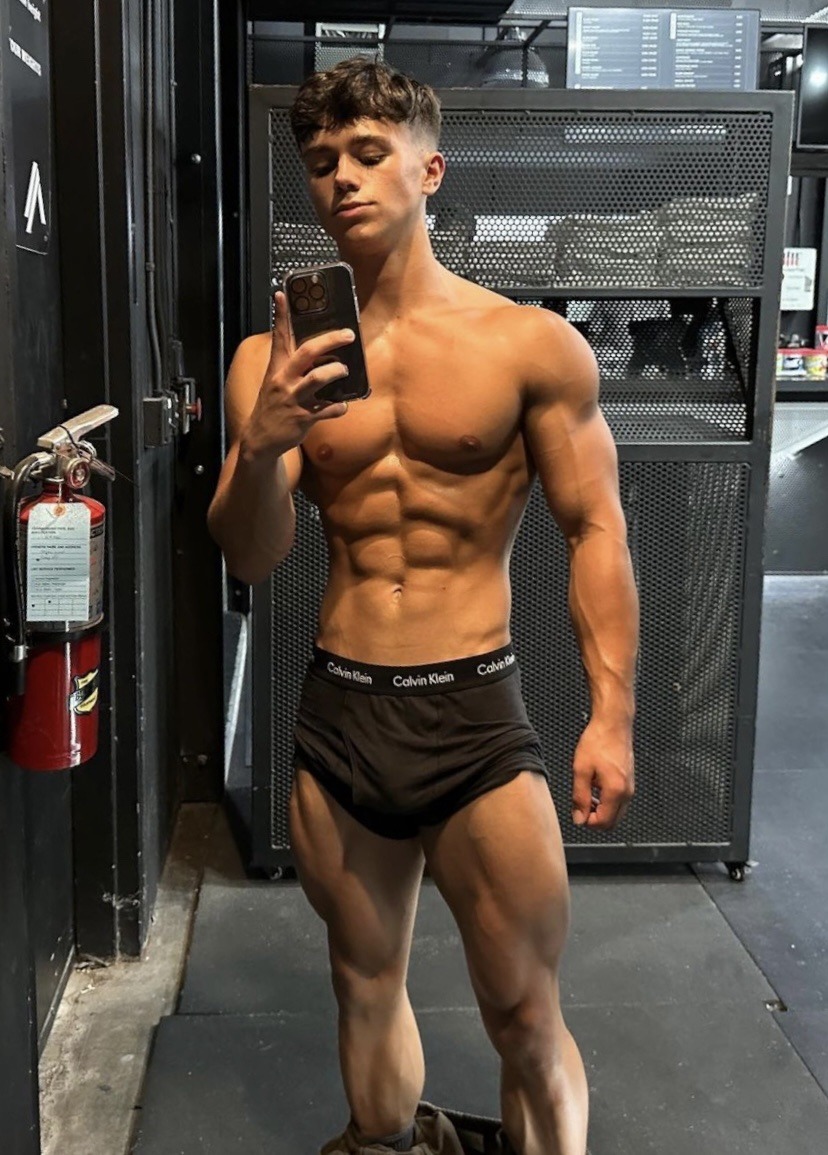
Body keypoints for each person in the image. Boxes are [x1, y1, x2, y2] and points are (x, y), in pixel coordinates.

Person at [208, 57, 638, 1155]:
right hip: (342, 713)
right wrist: (262, 443)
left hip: (472, 715)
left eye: (368, 154)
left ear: (429, 170)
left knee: (524, 1013)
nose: (343, 179)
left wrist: (612, 715)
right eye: (321, 163)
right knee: (363, 983)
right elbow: (251, 554)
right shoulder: (271, 360)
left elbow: (595, 529)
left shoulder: (526, 344)